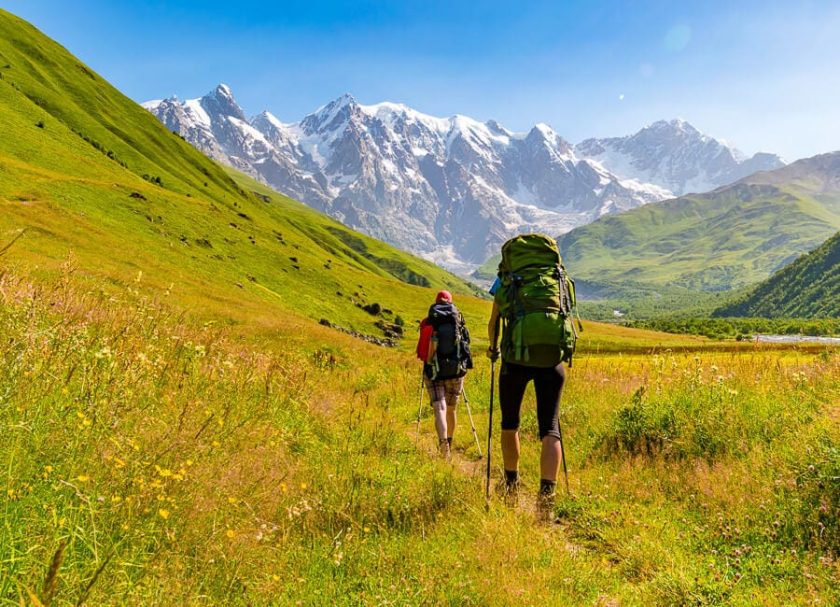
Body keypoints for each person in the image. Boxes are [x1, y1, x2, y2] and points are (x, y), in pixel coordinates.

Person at [486, 233, 575, 516]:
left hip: (516, 358)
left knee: (509, 423)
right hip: (552, 359)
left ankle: (511, 485)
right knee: (550, 426)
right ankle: (546, 498)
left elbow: (493, 322)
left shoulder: (506, 279)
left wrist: (492, 348)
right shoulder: (557, 278)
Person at [420, 290, 473, 457]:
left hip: (434, 372)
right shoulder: (458, 321)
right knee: (451, 409)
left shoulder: (428, 322)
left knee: (439, 407)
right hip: (456, 372)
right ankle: (450, 440)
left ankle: (443, 445)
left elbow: (422, 350)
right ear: (451, 302)